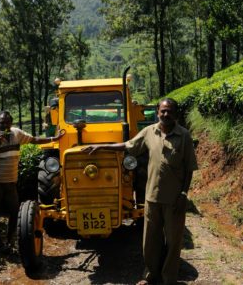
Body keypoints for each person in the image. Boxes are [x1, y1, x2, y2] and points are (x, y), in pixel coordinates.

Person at [82, 98, 198, 284]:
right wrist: (101, 147)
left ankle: (169, 278)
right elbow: (128, 145)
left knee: (173, 241)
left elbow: (189, 168)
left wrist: (184, 194)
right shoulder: (148, 132)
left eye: (169, 111)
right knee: (150, 241)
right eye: (163, 111)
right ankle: (151, 275)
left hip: (174, 199)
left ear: (175, 114)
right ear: (158, 112)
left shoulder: (184, 136)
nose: (166, 114)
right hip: (151, 197)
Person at [0, 110, 64, 253]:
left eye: (8, 123)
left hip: (10, 182)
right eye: (2, 123)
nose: (5, 126)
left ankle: (9, 242)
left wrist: (54, 138)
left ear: (11, 123)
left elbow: (34, 140)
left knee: (15, 212)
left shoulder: (16, 134)